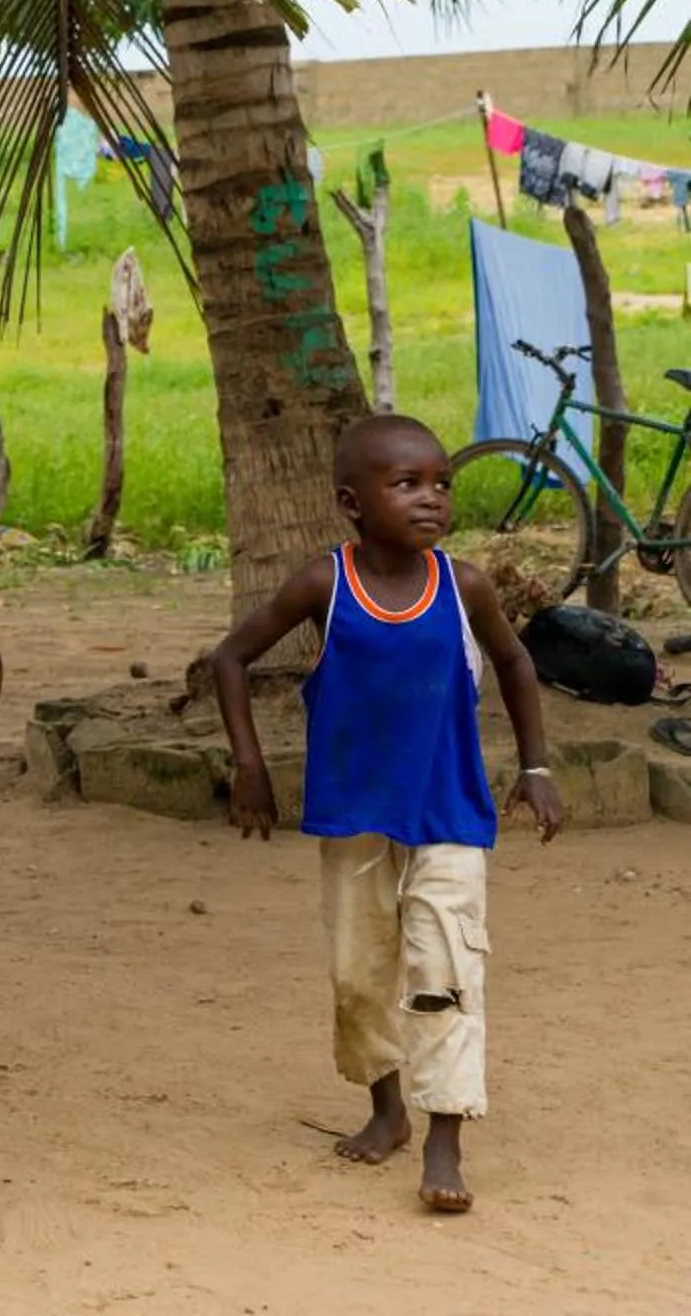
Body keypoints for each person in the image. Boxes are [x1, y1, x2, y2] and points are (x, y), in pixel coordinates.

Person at [208, 412, 566, 1217]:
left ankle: (446, 1138)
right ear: (351, 502)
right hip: (356, 819)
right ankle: (386, 1109)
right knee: (360, 975)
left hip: (448, 815)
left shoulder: (462, 586)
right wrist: (250, 765)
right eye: (407, 484)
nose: (431, 499)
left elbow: (513, 662)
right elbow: (230, 657)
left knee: (446, 969)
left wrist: (535, 766)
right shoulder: (324, 585)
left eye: (442, 483)